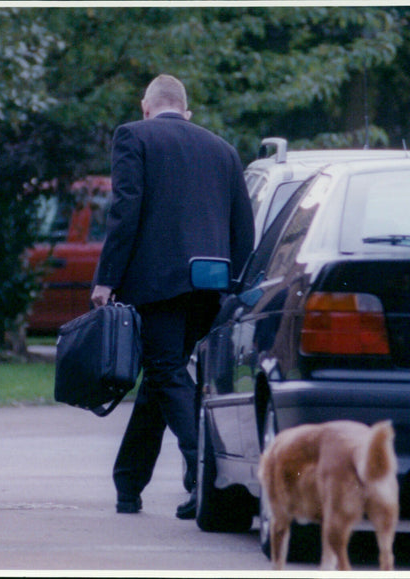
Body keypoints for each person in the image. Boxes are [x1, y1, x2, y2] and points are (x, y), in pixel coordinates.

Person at [91, 75, 254, 520]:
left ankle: (205, 466)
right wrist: (234, 288)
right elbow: (244, 228)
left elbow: (125, 212)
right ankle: (128, 483)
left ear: (146, 107)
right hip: (210, 288)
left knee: (163, 371)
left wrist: (106, 279)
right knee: (164, 377)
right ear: (187, 110)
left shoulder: (133, 136)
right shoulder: (223, 149)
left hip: (156, 284)